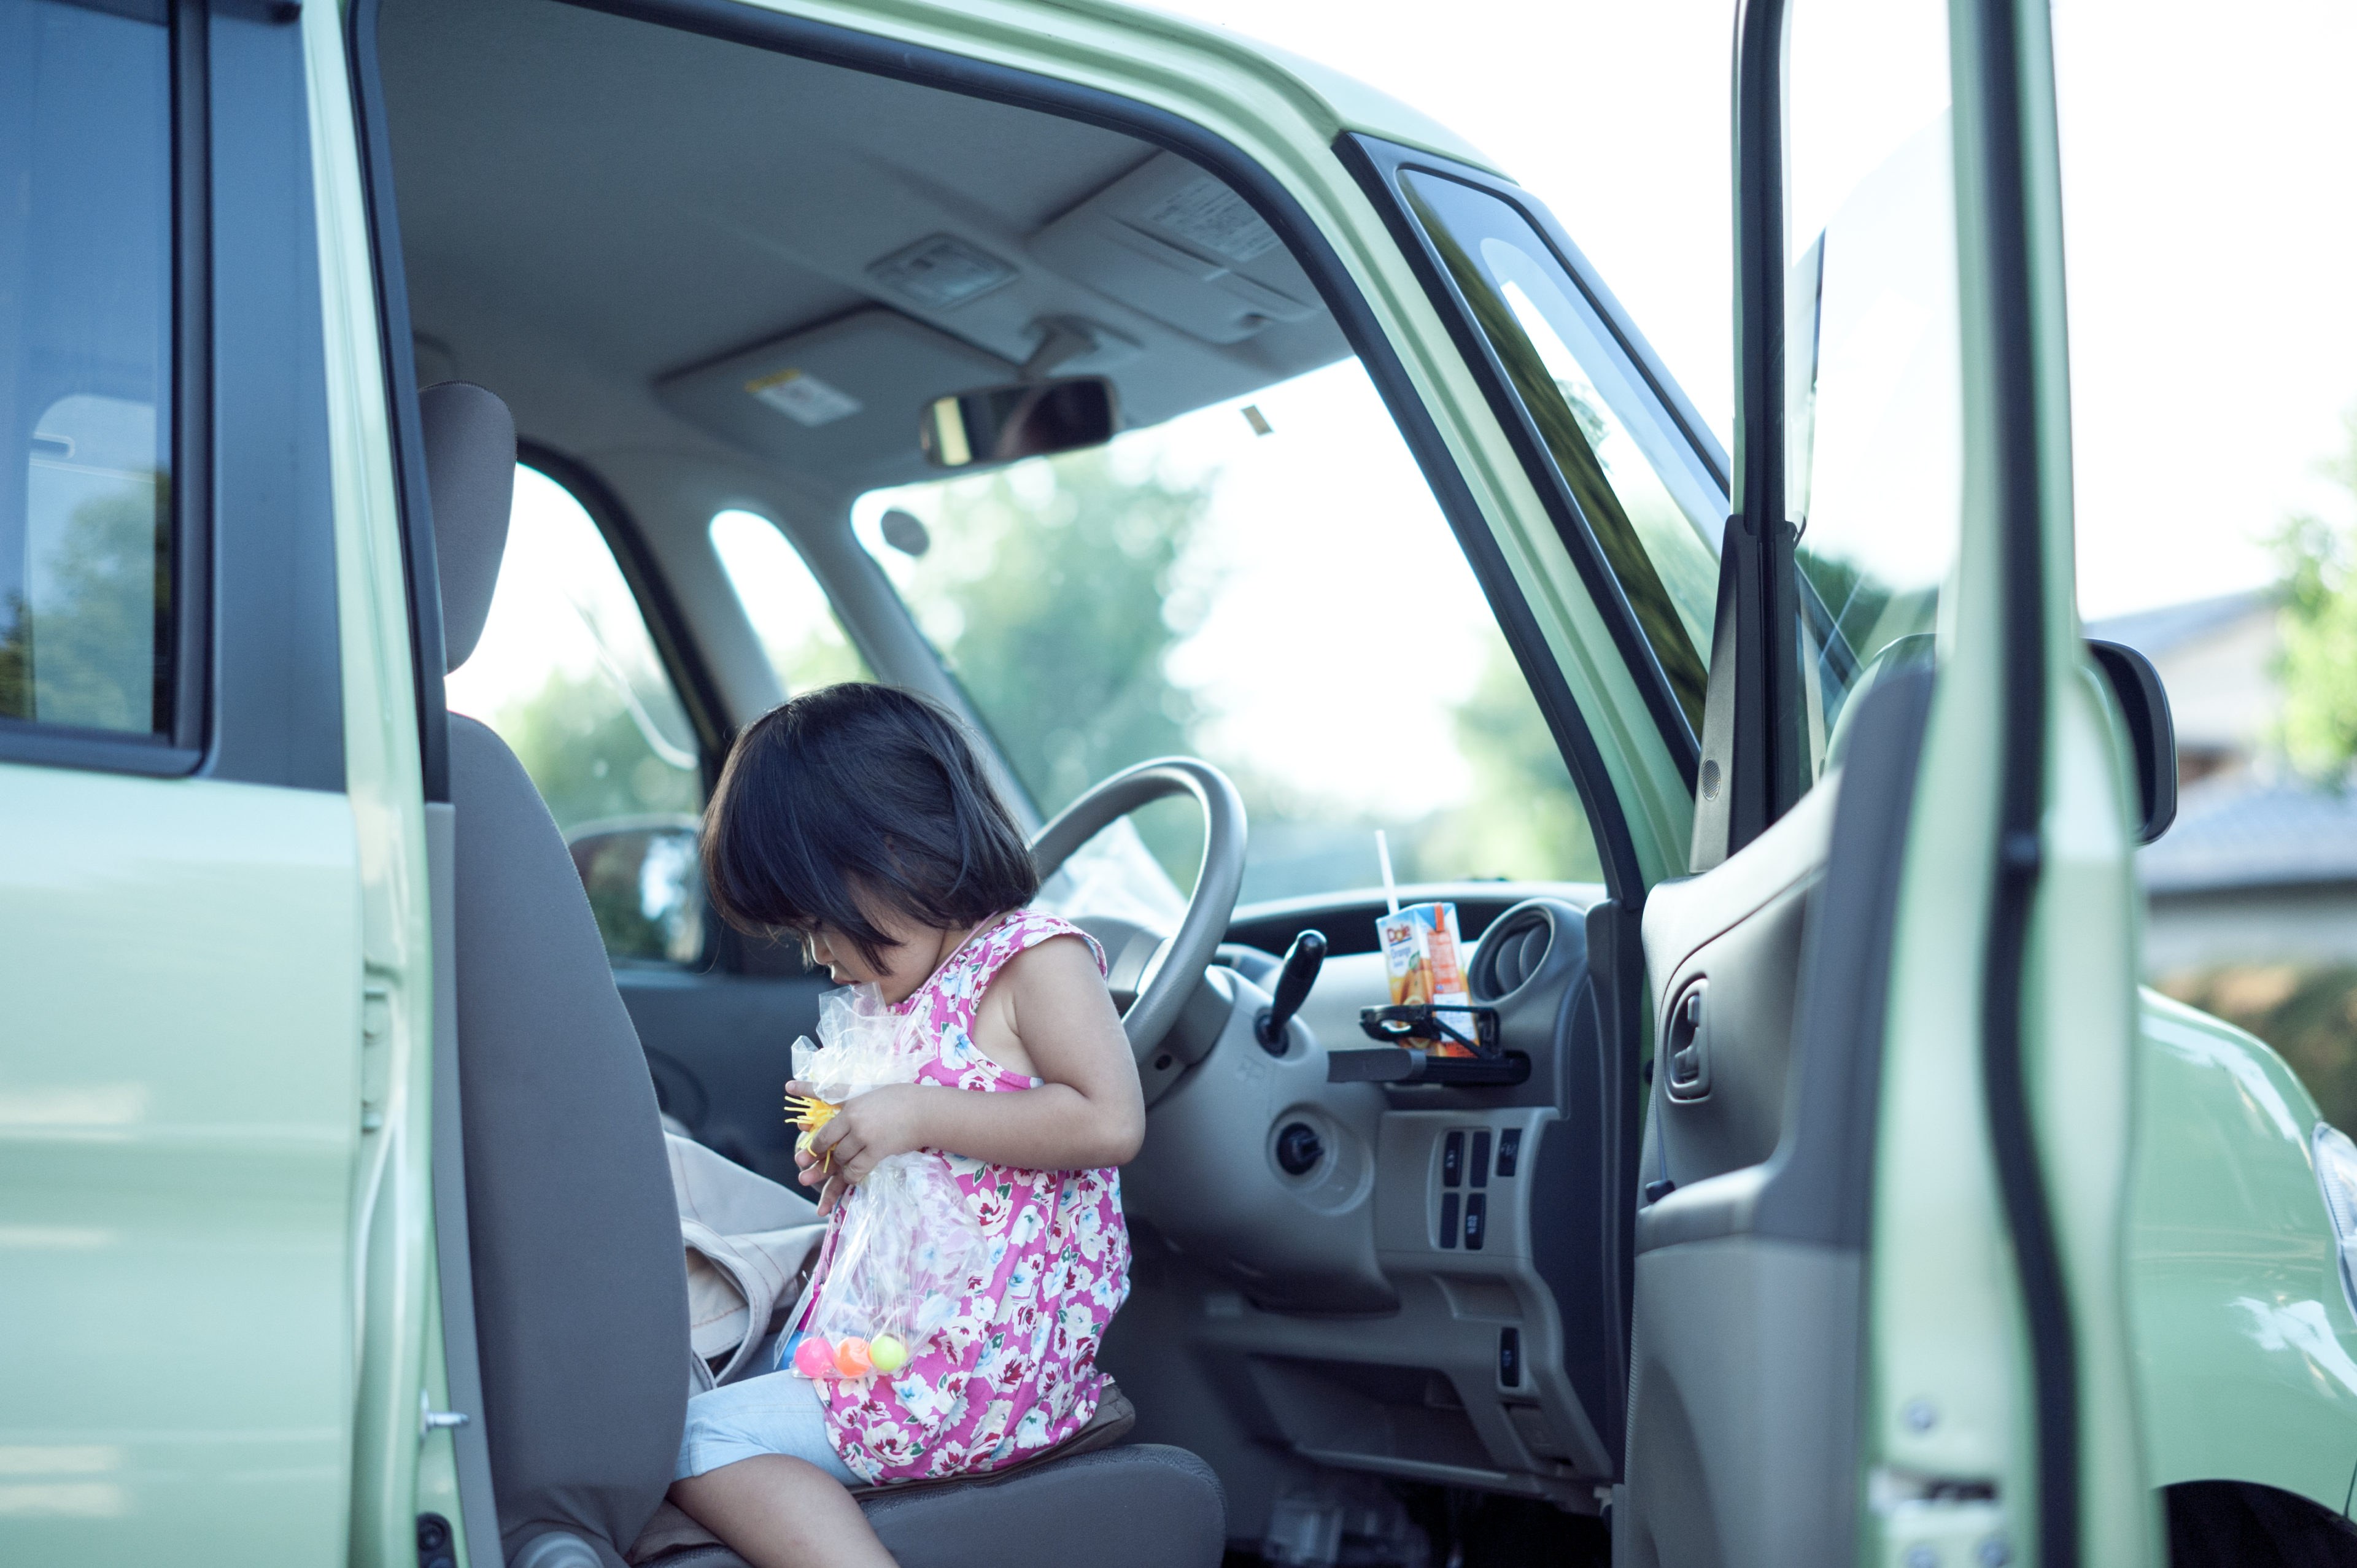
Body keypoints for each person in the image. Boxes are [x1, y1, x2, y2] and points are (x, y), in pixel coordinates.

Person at [669, 682, 1145, 1568]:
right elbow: (935, 1181)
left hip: (977, 1373)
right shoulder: (902, 998)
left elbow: (1109, 1118)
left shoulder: (1032, 960)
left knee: (695, 1440)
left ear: (895, 851)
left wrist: (916, 1113)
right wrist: (856, 1152)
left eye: (818, 922)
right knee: (699, 1390)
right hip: (900, 1350)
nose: (817, 954)